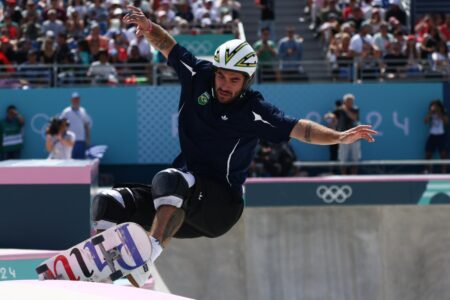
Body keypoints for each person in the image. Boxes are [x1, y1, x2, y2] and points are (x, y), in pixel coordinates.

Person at [90, 5, 377, 287]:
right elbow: (168, 45)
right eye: (221, 76)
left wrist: (339, 137)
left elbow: (301, 128)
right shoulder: (198, 75)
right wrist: (149, 27)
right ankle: (96, 270)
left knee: (169, 178)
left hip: (220, 206)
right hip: (181, 205)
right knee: (110, 201)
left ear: (246, 82)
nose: (225, 85)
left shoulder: (254, 110)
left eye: (234, 80)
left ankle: (146, 260)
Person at [331, 93, 361, 175]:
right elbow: (332, 115)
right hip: (343, 137)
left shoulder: (355, 109)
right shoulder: (340, 110)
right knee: (343, 159)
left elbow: (354, 118)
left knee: (355, 159)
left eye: (351, 101)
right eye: (348, 101)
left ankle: (354, 177)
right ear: (344, 101)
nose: (350, 103)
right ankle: (344, 177)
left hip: (355, 137)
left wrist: (345, 110)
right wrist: (330, 116)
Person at [60, 92, 92, 159]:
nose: (75, 101)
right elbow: (61, 126)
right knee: (70, 161)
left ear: (79, 100)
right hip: (69, 140)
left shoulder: (83, 111)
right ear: (71, 100)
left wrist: (87, 140)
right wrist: (62, 138)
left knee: (80, 161)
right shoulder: (66, 112)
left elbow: (86, 125)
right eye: (74, 99)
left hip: (81, 140)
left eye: (77, 99)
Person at [424, 99, 448, 173]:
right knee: (428, 152)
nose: (434, 107)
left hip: (441, 135)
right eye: (432, 106)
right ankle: (427, 169)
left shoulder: (444, 113)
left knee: (443, 154)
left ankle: (443, 170)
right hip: (432, 135)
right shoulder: (431, 113)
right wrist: (430, 113)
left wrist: (439, 113)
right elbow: (425, 121)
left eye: (435, 106)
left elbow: (446, 122)